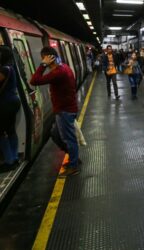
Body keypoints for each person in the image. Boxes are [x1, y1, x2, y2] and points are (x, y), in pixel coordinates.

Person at [30, 46, 80, 177]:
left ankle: (74, 166)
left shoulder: (58, 72)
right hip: (65, 109)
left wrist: (42, 65)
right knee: (55, 134)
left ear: (49, 58)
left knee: (69, 139)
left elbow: (34, 81)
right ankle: (74, 158)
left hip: (65, 111)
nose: (43, 61)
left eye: (44, 58)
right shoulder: (64, 67)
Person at [0, 46, 21, 170]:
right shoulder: (11, 67)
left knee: (1, 132)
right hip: (13, 101)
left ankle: (9, 161)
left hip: (5, 103)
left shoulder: (4, 69)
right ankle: (14, 158)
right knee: (11, 131)